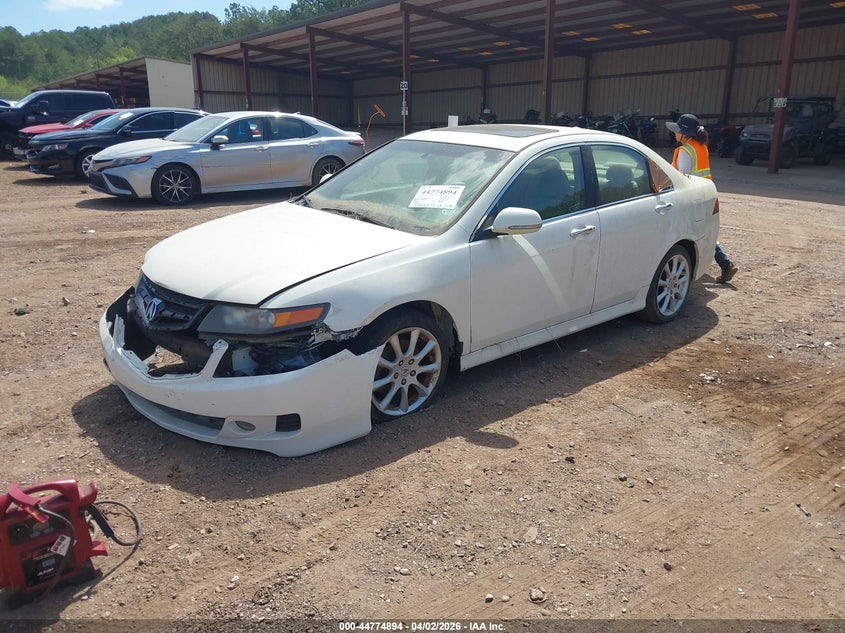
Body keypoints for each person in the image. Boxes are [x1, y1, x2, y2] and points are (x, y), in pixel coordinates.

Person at [666, 113, 739, 284]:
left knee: (694, 233)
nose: (674, 133)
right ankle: (725, 263)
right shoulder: (701, 146)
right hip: (706, 194)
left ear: (684, 133)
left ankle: (723, 264)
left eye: (677, 131)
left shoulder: (684, 151)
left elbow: (681, 177)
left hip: (692, 198)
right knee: (704, 231)